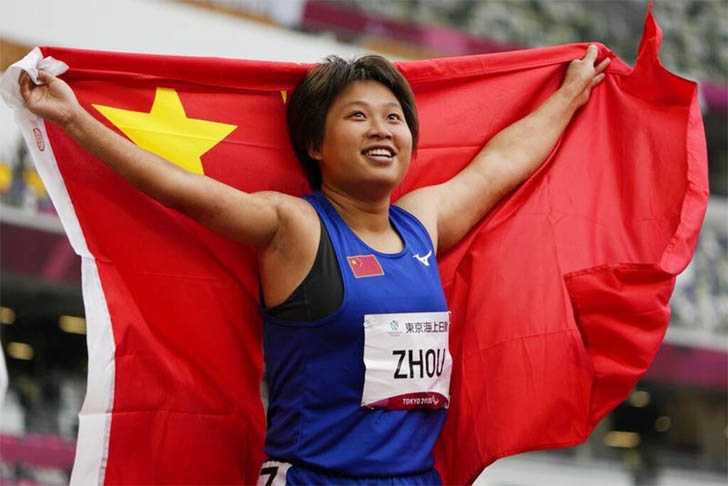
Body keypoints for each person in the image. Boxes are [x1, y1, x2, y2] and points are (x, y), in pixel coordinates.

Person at [18, 45, 608, 485]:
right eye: (357, 116)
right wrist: (74, 120)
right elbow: (181, 190)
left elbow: (502, 162)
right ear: (315, 145)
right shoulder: (295, 228)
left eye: (394, 117)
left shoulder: (420, 222)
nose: (381, 128)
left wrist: (570, 93)